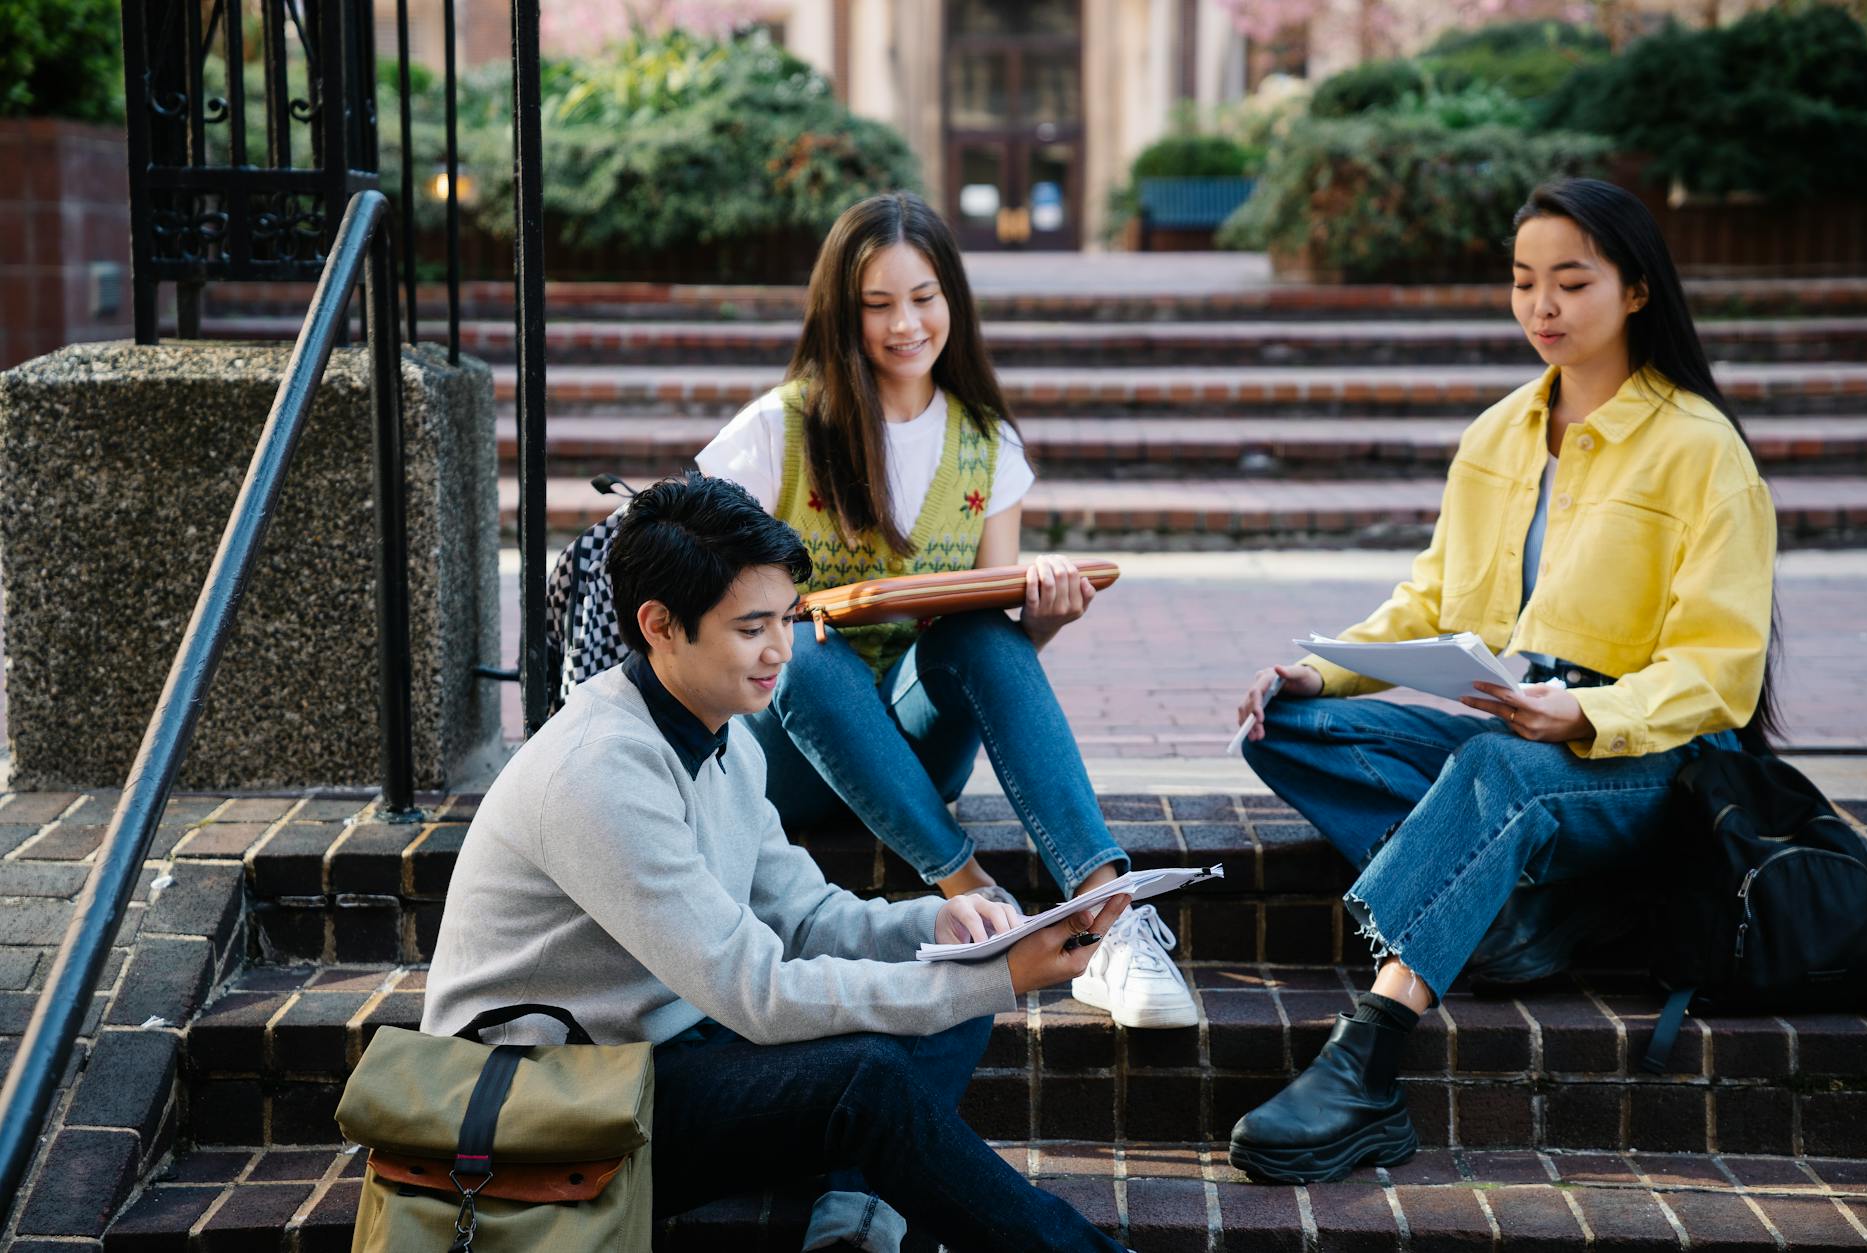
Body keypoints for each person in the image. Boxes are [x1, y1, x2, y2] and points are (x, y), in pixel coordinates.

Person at [423, 471, 1138, 1252]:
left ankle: (854, 1218)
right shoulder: (599, 771)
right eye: (751, 627)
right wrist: (1000, 976)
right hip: (554, 1104)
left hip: (668, 1045)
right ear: (660, 624)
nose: (780, 651)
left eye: (787, 619)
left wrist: (941, 924)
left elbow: (806, 916)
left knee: (945, 1006)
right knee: (873, 1073)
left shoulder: (718, 731)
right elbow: (758, 991)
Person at [1225, 178, 1778, 1183]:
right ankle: (1506, 920)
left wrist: (1584, 710)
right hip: (1523, 718)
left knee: (1494, 765)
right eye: (1523, 282)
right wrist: (1317, 667)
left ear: (1636, 289)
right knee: (1284, 729)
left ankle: (1370, 1059)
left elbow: (1721, 669)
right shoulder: (1497, 435)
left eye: (1570, 281)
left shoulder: (1699, 450)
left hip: (1649, 756)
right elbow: (1431, 597)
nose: (1541, 307)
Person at [695, 190, 1197, 1030]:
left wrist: (1048, 616)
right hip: (784, 752)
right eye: (878, 304)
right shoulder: (777, 431)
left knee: (979, 631)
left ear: (952, 302)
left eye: (924, 298)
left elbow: (985, 633)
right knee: (803, 649)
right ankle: (983, 904)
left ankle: (1111, 917)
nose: (906, 324)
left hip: (914, 753)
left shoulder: (986, 439)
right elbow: (699, 591)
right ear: (840, 312)